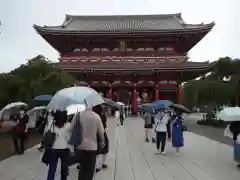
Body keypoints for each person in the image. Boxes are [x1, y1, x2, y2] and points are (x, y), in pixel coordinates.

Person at [73, 106, 105, 180]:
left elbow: (71, 128)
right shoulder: (96, 117)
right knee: (90, 169)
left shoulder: (77, 115)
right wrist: (102, 142)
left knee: (82, 168)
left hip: (80, 145)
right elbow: (101, 132)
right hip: (92, 146)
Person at [45, 110, 71, 180]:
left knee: (52, 168)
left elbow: (46, 132)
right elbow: (69, 138)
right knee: (64, 168)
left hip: (53, 148)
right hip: (65, 148)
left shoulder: (51, 123)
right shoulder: (68, 125)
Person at [93, 105, 109, 172]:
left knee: (97, 150)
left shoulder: (93, 117)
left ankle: (97, 166)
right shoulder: (103, 116)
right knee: (105, 148)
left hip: (93, 134)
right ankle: (104, 163)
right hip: (102, 133)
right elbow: (105, 125)